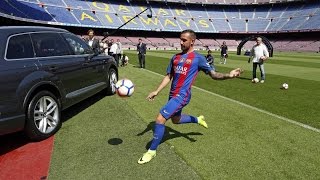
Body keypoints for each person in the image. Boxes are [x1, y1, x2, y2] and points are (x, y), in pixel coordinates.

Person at [138, 29, 243, 164]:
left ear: (192, 41)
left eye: (184, 40)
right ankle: (197, 119)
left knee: (160, 119)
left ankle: (151, 151)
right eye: (180, 39)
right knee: (176, 120)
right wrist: (156, 91)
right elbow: (169, 76)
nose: (180, 42)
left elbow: (213, 74)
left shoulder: (198, 58)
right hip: (173, 95)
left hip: (183, 95)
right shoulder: (175, 57)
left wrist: (229, 75)